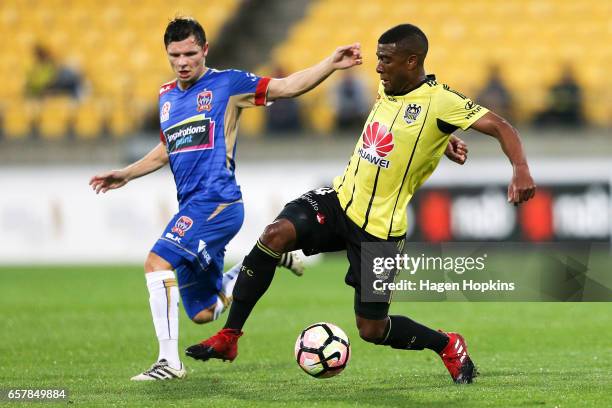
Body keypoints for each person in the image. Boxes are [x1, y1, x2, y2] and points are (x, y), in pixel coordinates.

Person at [186, 24, 536, 385]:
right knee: (275, 235)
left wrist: (520, 169)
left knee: (372, 328)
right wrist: (441, 140)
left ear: (412, 61)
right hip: (339, 201)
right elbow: (403, 128)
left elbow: (501, 126)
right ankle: (229, 337)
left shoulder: (441, 102)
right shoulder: (389, 89)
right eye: (378, 57)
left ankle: (446, 344)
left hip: (379, 231)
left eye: (386, 59)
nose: (378, 66)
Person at [89, 17, 363, 381]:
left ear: (204, 50)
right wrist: (126, 172)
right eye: (175, 55)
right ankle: (267, 257)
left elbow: (284, 87)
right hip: (193, 206)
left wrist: (329, 63)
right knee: (203, 311)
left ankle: (169, 363)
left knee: (156, 264)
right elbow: (165, 149)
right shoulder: (166, 96)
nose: (183, 61)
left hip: (218, 202)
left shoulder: (228, 84)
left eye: (190, 53)